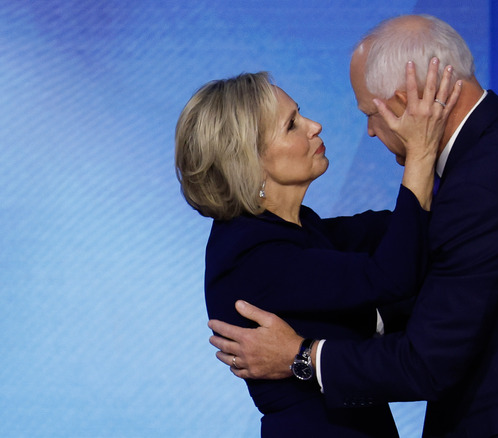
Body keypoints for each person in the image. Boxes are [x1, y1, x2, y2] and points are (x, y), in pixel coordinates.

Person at [209, 14, 498, 437]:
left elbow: (426, 359)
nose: (368, 131)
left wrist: (302, 357)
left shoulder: (482, 184)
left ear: (407, 101)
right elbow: (408, 264)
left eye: (370, 113)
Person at [175, 63, 461, 436]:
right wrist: (421, 153)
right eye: (292, 124)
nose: (314, 126)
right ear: (249, 160)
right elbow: (392, 276)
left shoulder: (296, 228)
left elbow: (395, 231)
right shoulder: (252, 255)